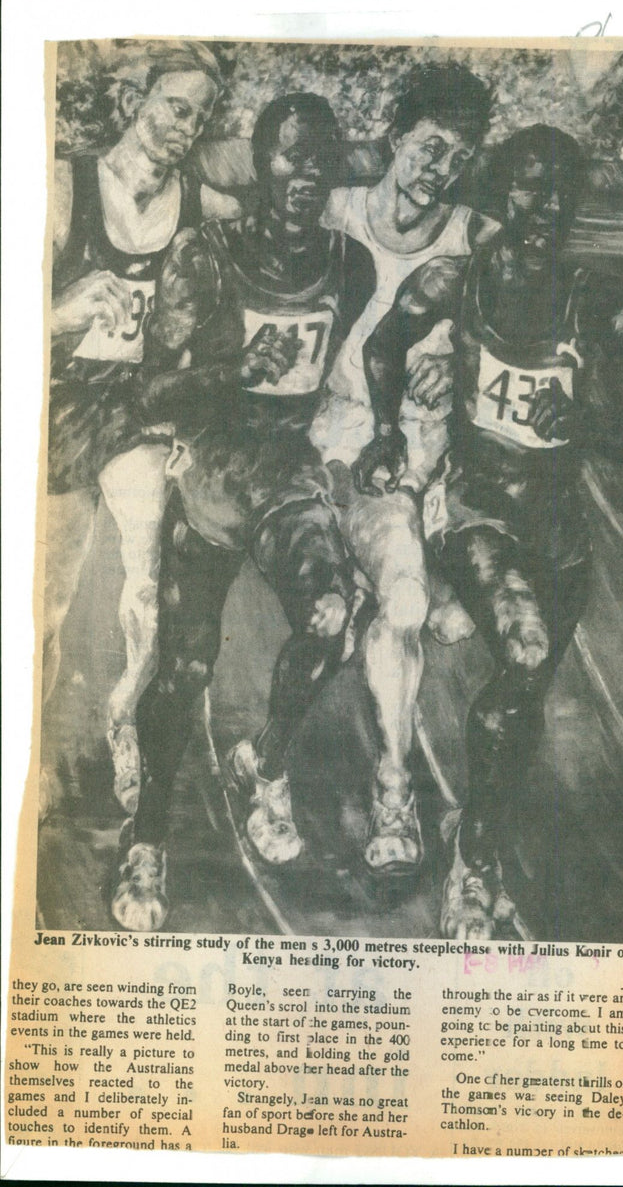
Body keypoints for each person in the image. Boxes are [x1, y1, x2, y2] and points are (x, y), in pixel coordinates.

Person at [356, 124, 623, 936]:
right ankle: (474, 860)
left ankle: (470, 829)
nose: (545, 205)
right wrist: (386, 433)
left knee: (519, 703)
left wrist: (586, 408)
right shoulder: (458, 279)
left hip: (558, 530)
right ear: (500, 192)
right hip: (477, 510)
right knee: (520, 652)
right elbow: (383, 345)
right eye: (528, 185)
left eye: (561, 189)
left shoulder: (600, 302)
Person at [110, 92, 381, 931]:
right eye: (289, 157)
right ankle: (147, 838)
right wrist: (232, 365)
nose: (306, 175)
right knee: (186, 667)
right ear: (260, 166)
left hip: (284, 471)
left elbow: (319, 378)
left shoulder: (350, 263)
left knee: (333, 616)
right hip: (213, 468)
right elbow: (152, 390)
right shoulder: (209, 252)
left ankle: (264, 765)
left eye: (321, 160)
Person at [308, 62, 498, 875]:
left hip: (438, 446)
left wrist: (461, 354)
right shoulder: (333, 213)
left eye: (458, 156)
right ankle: (395, 781)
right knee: (410, 598)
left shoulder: (475, 237)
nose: (438, 170)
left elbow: (514, 325)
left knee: (426, 600)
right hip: (345, 436)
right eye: (427, 147)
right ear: (392, 138)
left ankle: (399, 575)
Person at [44, 41, 238, 815]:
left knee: (149, 575)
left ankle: (122, 715)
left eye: (199, 116)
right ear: (135, 100)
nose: (183, 126)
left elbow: (288, 205)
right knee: (43, 598)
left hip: (139, 407)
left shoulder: (199, 202)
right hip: (57, 401)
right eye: (173, 106)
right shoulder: (63, 187)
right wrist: (59, 311)